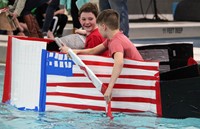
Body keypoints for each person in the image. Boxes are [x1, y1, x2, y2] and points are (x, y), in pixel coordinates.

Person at [60, 9, 143, 104]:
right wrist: (73, 51)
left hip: (138, 78)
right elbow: (93, 50)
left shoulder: (116, 41)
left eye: (98, 27)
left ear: (103, 27)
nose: (97, 30)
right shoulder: (112, 39)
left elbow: (119, 62)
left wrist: (109, 88)